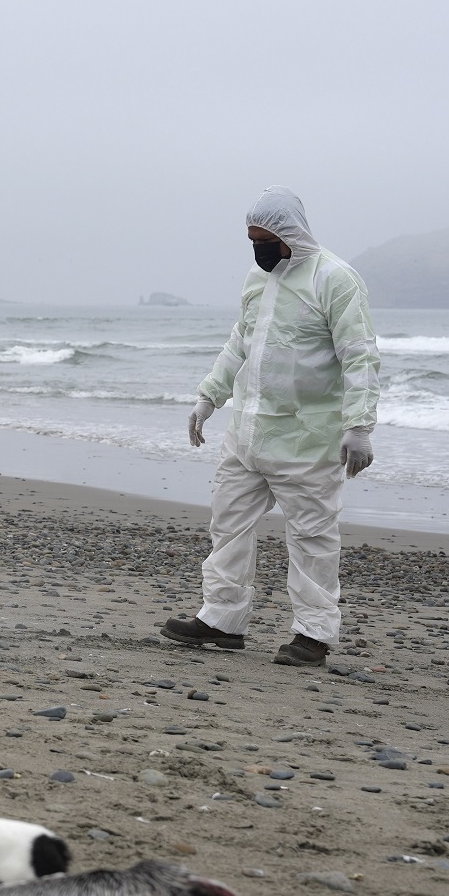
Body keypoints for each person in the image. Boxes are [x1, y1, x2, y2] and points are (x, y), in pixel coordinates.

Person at [161, 186, 380, 668]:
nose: (258, 247)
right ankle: (220, 619)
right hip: (248, 433)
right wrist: (208, 397)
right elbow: (239, 344)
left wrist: (359, 425)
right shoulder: (257, 281)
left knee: (312, 536)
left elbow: (359, 355)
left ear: (289, 235)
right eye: (251, 238)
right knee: (228, 524)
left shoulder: (336, 281)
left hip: (307, 438)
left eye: (265, 238)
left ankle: (313, 634)